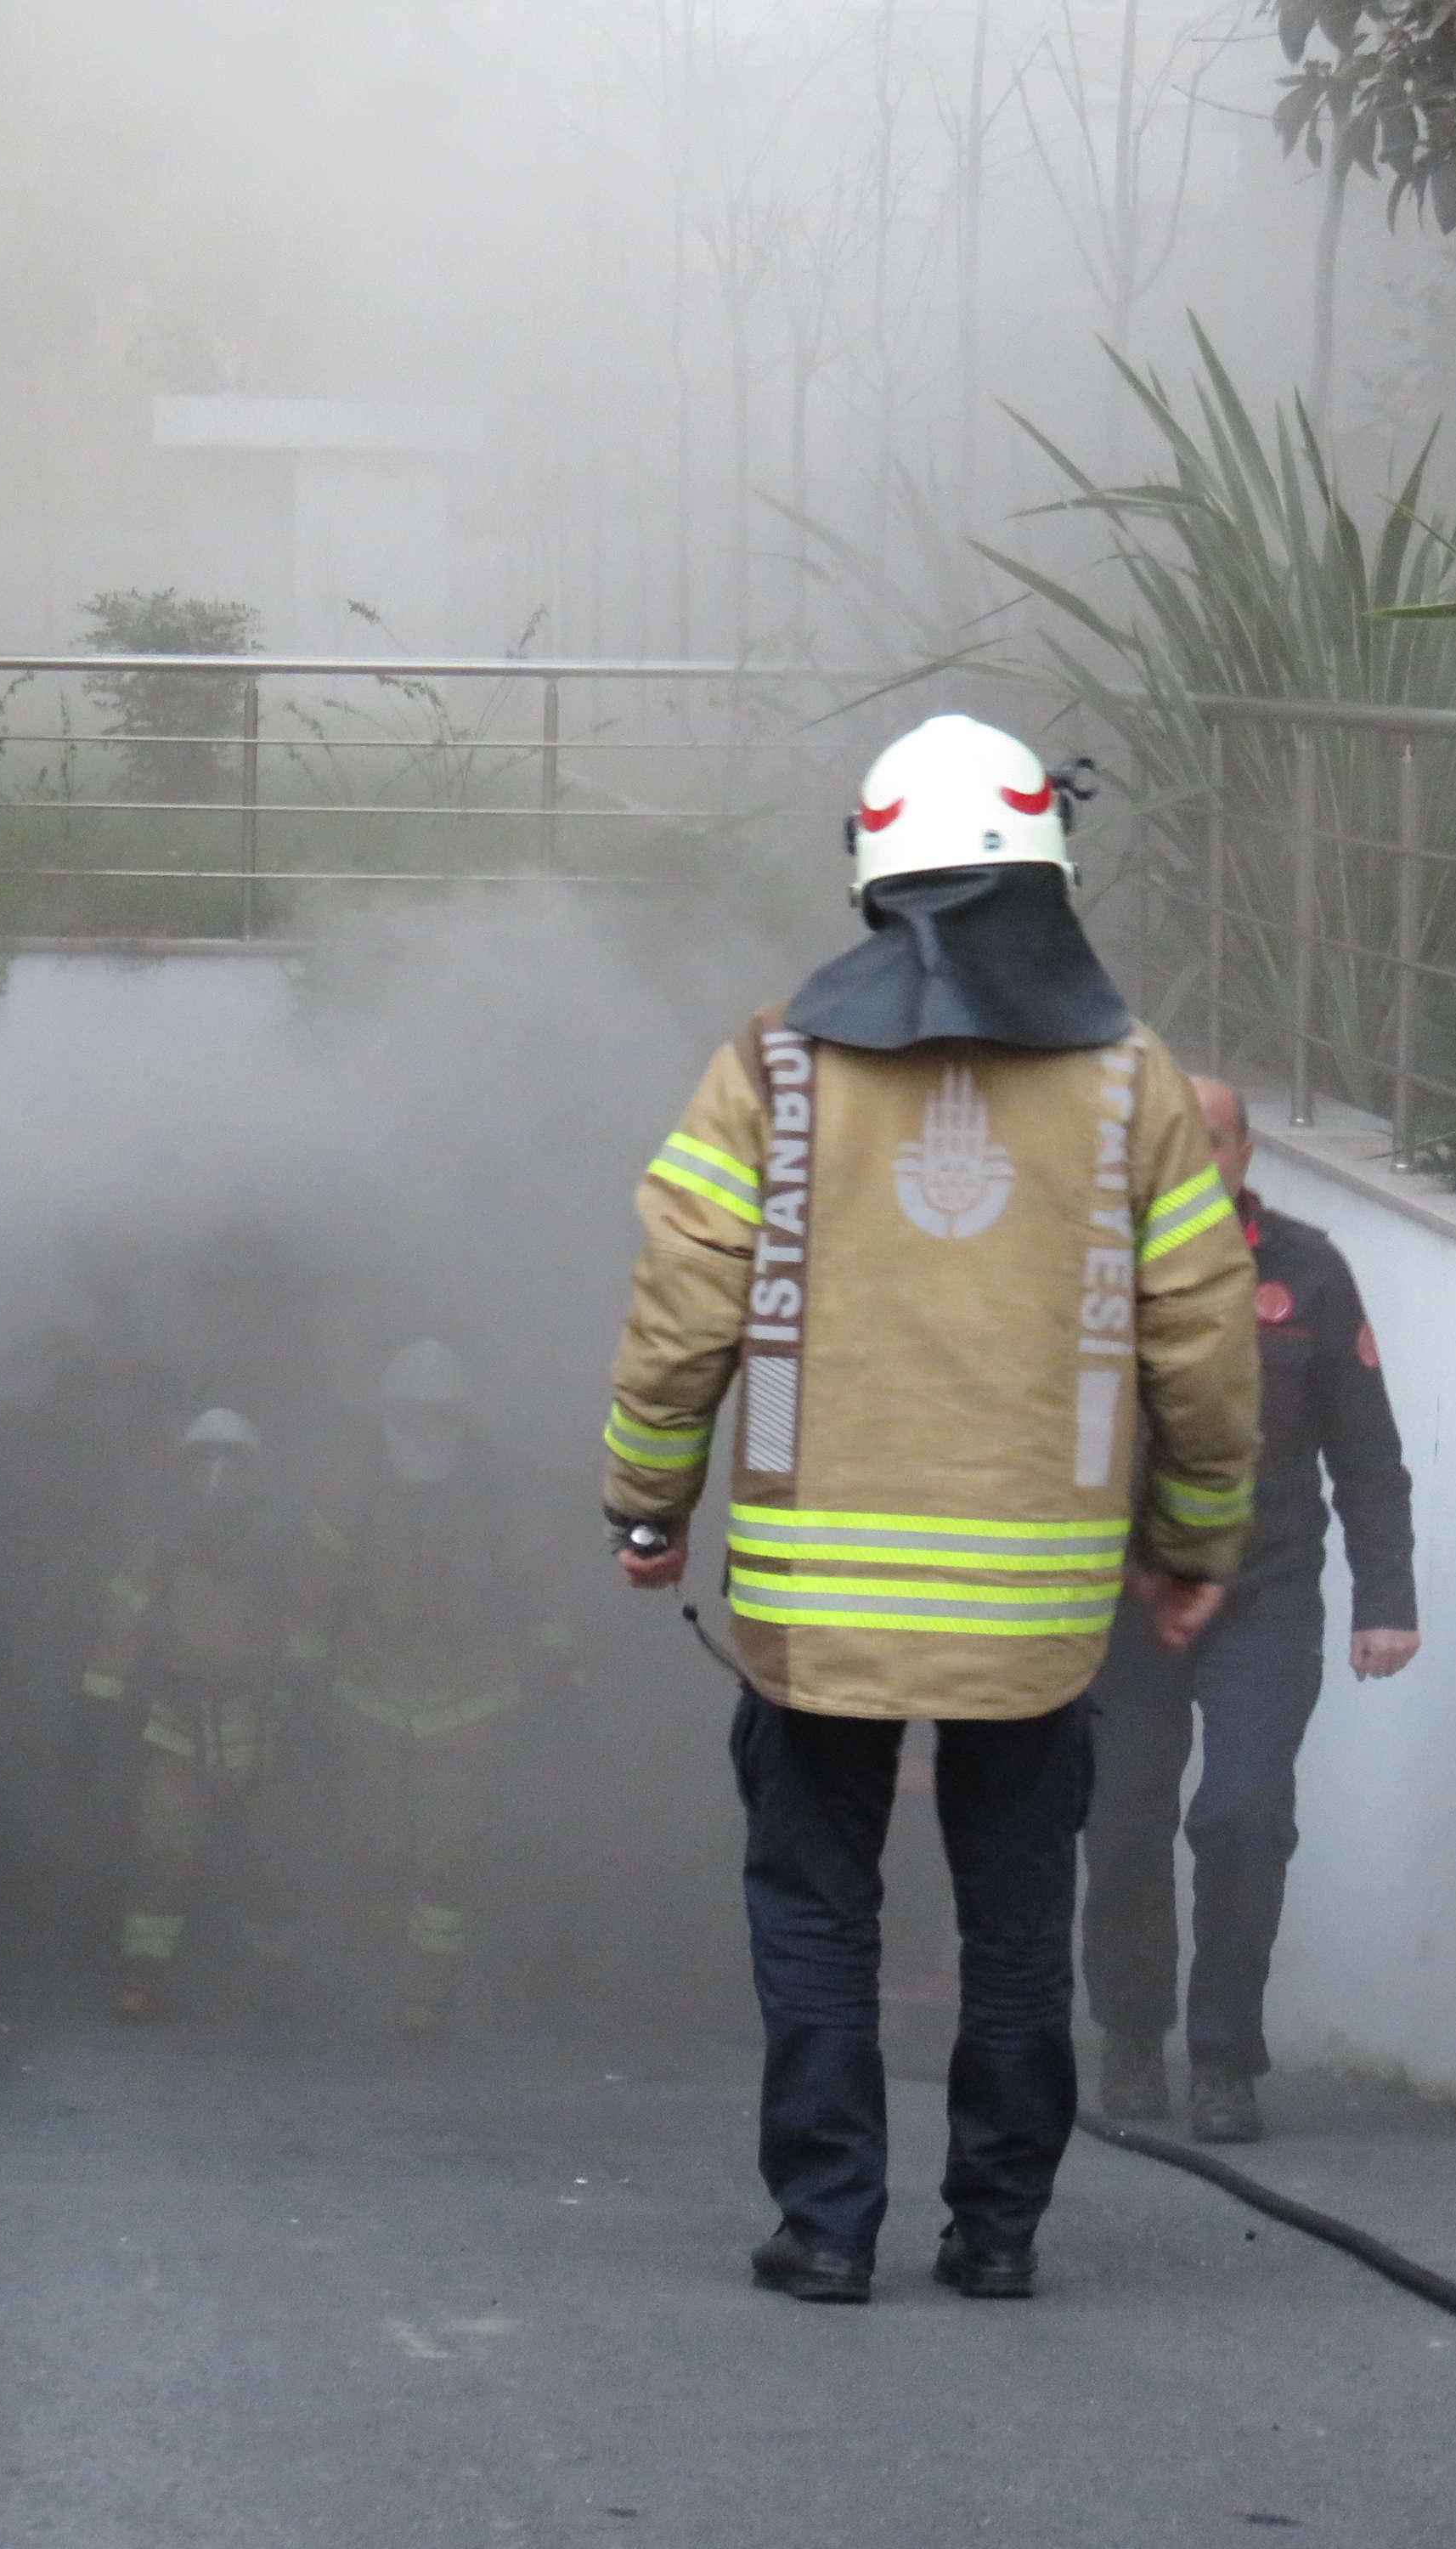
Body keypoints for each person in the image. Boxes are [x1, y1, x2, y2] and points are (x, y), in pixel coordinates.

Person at [599, 711, 1261, 2304]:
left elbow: (684, 1307)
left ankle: (830, 2228)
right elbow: (1202, 1332)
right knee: (1018, 1925)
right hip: (1035, 1617)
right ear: (1052, 868)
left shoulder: (772, 1063)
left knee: (816, 1916)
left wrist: (646, 1504)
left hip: (811, 1605)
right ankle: (1000, 2230)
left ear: (872, 874)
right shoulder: (1132, 1080)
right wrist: (1192, 1543)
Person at [1082, 1077, 1419, 2145]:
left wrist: (1386, 1600)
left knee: (1242, 1815)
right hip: (1123, 1600)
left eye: (1212, 1141)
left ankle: (1224, 2058)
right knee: (1121, 1821)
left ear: (1243, 1154)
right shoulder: (1091, 1271)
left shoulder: (1309, 1271)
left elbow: (1366, 1454)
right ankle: (1131, 2034)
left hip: (1264, 1593)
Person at [285, 1341, 565, 2038]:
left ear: (463, 1418)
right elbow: (314, 1594)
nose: (424, 1427)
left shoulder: (498, 1499)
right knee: (374, 1844)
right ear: (388, 1412)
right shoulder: (350, 1493)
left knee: (449, 1852)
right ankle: (379, 1935)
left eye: (438, 1414)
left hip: (469, 1694)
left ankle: (427, 1992)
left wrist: (559, 1668)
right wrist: (300, 1681)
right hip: (368, 1690)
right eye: (412, 1412)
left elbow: (539, 1585)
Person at [77, 1409, 290, 2021]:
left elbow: (307, 1633)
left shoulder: (276, 1556)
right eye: (204, 1461)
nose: (216, 1476)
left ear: (255, 1475)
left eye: (232, 1463)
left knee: (267, 1860)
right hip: (178, 1724)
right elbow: (118, 1632)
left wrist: (306, 1712)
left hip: (257, 1726)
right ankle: (143, 1976)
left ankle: (272, 1981)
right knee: (161, 1853)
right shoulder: (160, 1553)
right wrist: (93, 1711)